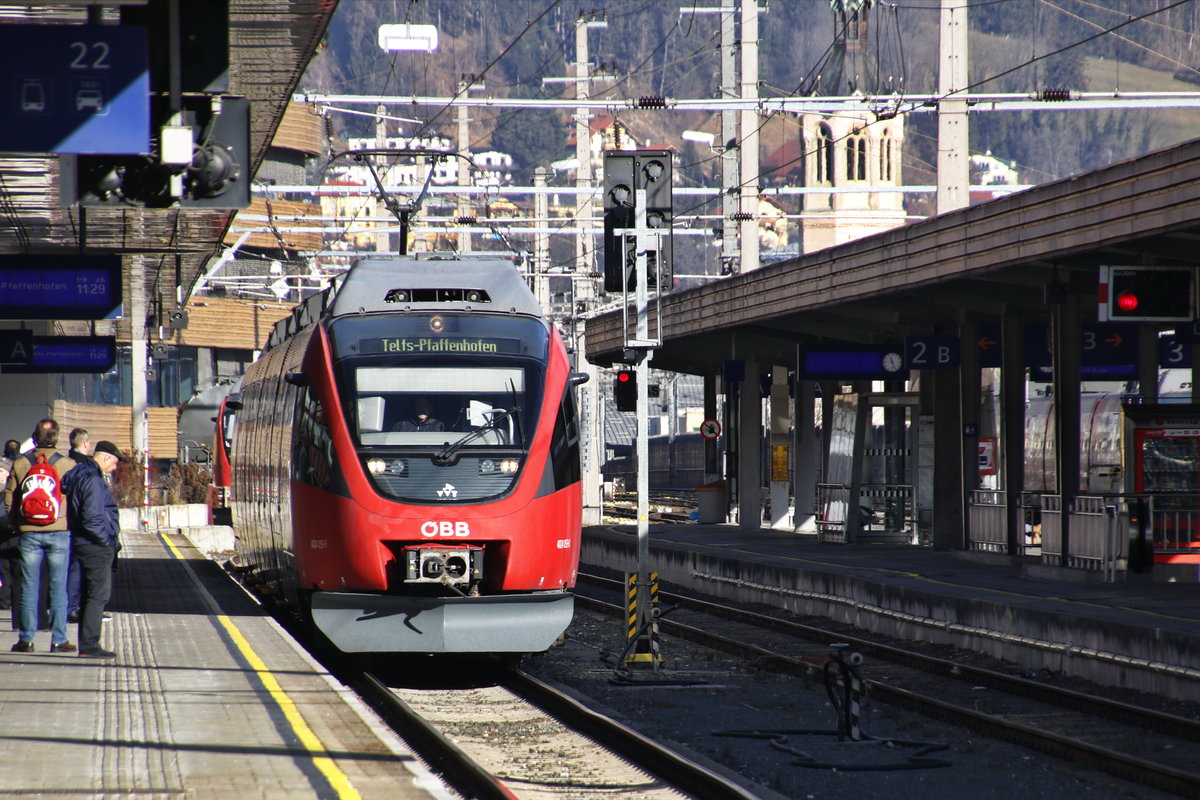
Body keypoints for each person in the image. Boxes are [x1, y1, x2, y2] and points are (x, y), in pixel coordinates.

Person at [6, 419, 76, 653]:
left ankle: (26, 639)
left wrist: (19, 524)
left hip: (28, 532)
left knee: (29, 586)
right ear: (56, 438)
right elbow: (75, 499)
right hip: (59, 530)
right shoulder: (67, 464)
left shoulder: (21, 463)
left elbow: (10, 498)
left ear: (35, 437)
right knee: (58, 587)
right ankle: (59, 639)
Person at [62, 440, 123, 659]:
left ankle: (88, 644)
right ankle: (89, 645)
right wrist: (107, 542)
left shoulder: (79, 474)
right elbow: (92, 518)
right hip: (94, 545)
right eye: (114, 463)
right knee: (98, 595)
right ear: (105, 458)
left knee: (89, 594)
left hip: (82, 542)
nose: (114, 468)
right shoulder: (93, 481)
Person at [65, 428, 93, 622]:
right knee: (79, 568)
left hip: (62, 521)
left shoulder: (63, 462)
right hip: (81, 524)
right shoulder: (88, 466)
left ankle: (64, 606)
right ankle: (73, 608)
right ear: (85, 444)